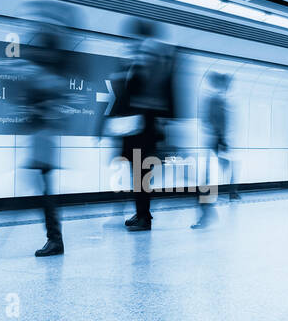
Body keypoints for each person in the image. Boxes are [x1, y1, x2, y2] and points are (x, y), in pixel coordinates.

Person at [12, 2, 78, 257]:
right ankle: (54, 238)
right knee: (41, 183)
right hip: (40, 127)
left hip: (44, 129)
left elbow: (54, 87)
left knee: (43, 184)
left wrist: (30, 74)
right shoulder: (45, 47)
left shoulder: (52, 50)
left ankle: (55, 239)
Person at [99, 18, 179, 231]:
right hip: (135, 127)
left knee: (141, 173)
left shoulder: (155, 58)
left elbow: (161, 94)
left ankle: (144, 218)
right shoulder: (137, 58)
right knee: (138, 173)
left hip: (145, 128)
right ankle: (141, 213)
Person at [193, 71, 235, 228]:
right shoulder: (222, 100)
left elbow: (213, 123)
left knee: (205, 181)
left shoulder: (215, 100)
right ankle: (207, 215)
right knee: (206, 180)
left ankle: (207, 216)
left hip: (214, 144)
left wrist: (219, 142)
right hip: (216, 144)